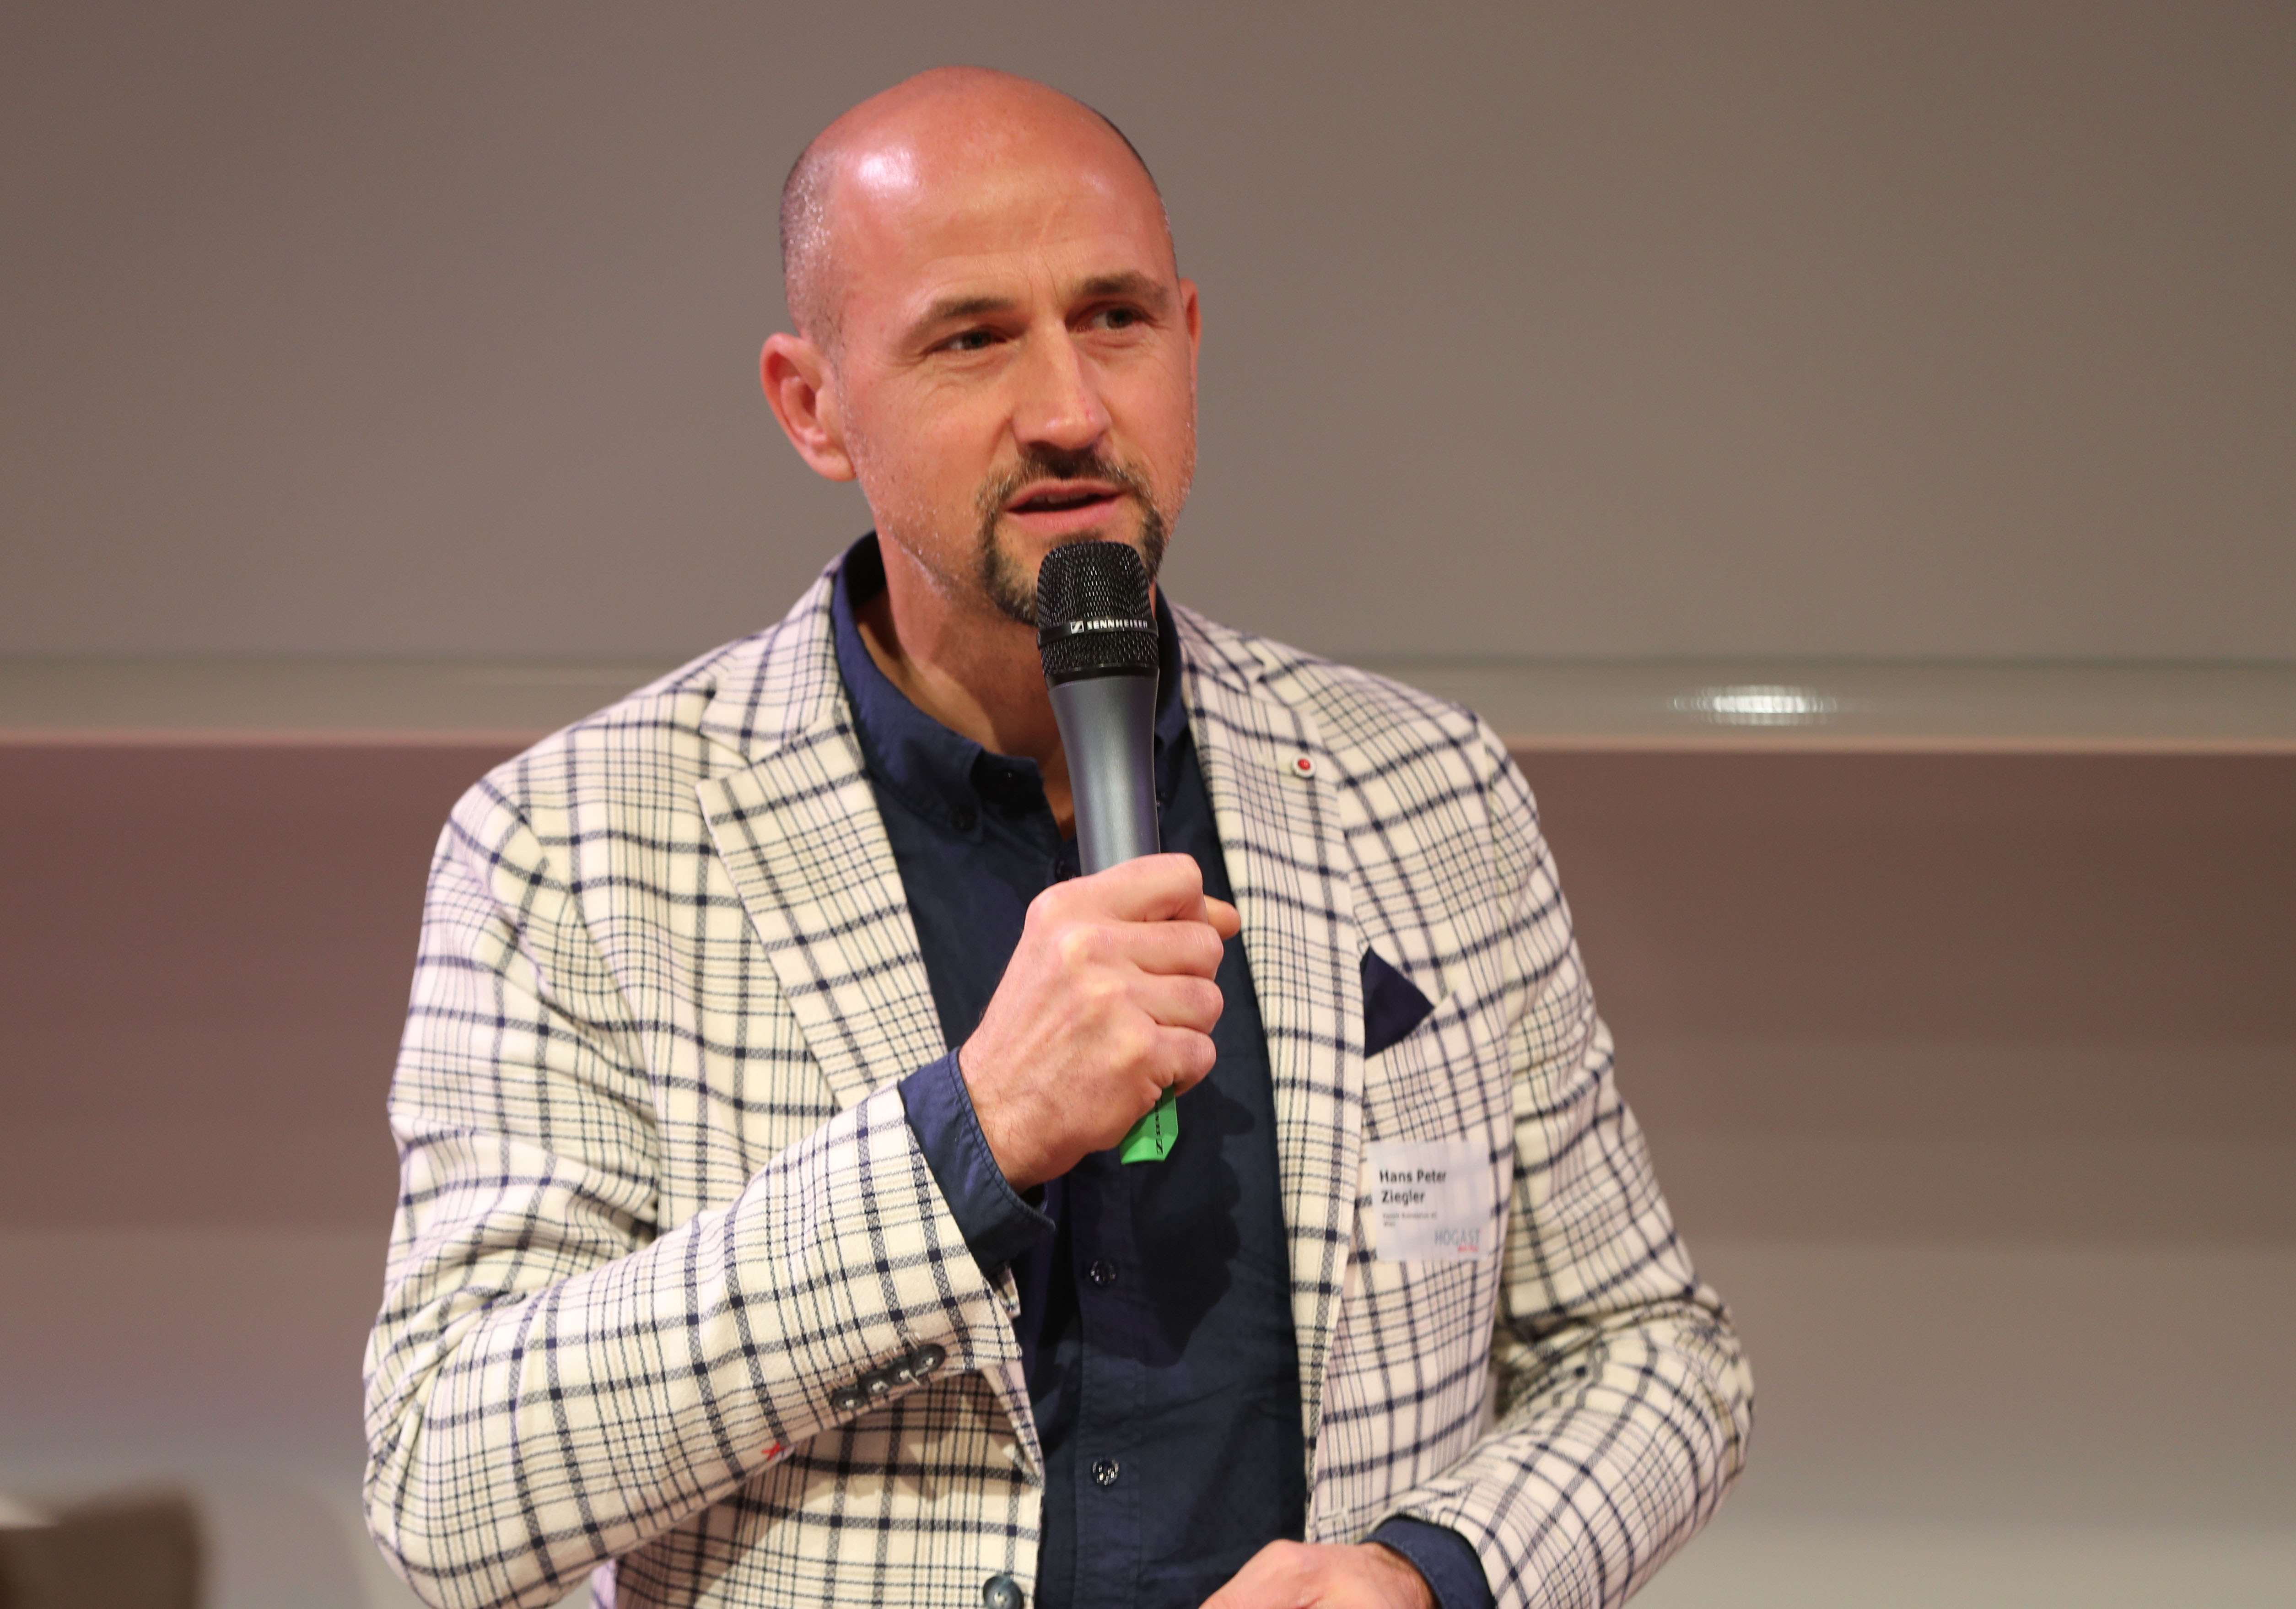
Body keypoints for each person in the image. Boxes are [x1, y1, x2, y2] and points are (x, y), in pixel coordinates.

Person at [362, 67, 1751, 1609]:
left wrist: (1425, 1577)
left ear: (1190, 340)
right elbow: (446, 1484)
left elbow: (1650, 1353)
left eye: (1115, 319)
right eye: (971, 338)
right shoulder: (572, 843)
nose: (1071, 410)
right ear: (813, 405)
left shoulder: (1423, 785)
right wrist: (966, 1134)